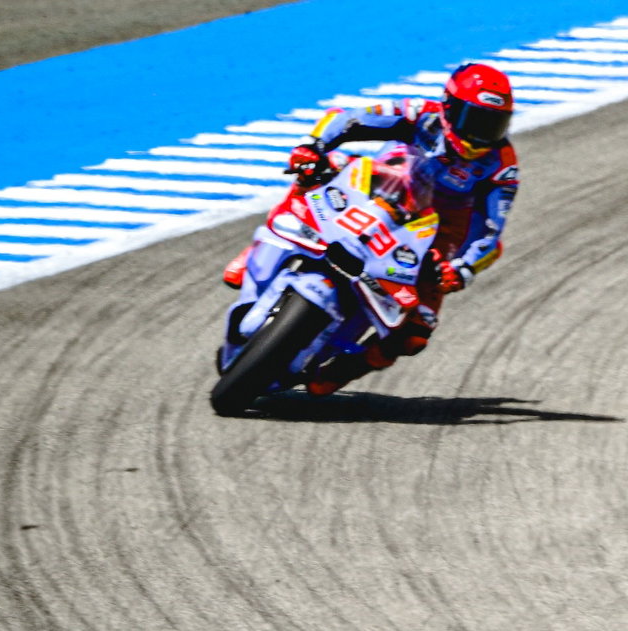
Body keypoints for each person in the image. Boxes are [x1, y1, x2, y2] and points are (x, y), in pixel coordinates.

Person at [223, 63, 520, 395]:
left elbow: (492, 233)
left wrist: (461, 268)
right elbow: (349, 117)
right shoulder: (420, 114)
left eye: (494, 124)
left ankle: (347, 368)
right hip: (380, 189)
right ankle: (268, 241)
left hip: (437, 233)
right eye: (474, 120)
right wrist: (313, 146)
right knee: (320, 169)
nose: (483, 134)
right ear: (449, 107)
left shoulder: (502, 165)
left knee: (416, 331)